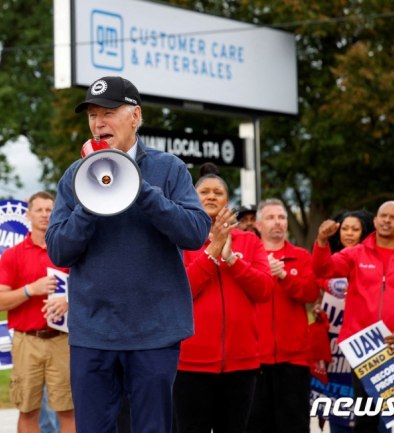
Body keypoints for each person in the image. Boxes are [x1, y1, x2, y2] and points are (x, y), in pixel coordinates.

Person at [46, 76, 211, 433]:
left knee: (151, 428)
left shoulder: (169, 169)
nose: (98, 122)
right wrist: (90, 199)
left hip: (154, 333)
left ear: (135, 116)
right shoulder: (75, 176)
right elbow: (59, 250)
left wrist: (140, 189)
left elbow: (196, 233)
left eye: (108, 112)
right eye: (92, 114)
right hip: (93, 334)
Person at [312, 201, 394, 433]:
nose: (387, 220)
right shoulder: (354, 254)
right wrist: (321, 242)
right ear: (375, 220)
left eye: (393, 217)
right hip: (365, 353)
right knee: (366, 422)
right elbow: (323, 270)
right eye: (383, 215)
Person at [173, 164, 273, 433]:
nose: (212, 196)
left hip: (242, 364)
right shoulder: (180, 242)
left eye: (218, 192)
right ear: (192, 198)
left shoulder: (250, 242)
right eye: (204, 191)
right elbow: (181, 291)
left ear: (228, 202)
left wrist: (231, 260)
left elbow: (265, 290)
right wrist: (212, 251)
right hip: (190, 365)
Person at [0, 191, 75, 433]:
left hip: (62, 340)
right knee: (28, 410)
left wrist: (69, 301)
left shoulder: (68, 252)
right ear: (28, 215)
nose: (44, 215)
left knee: (68, 410)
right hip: (27, 341)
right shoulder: (12, 255)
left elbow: (90, 292)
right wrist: (30, 289)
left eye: (49, 210)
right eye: (39, 210)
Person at [247, 198, 320, 433]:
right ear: (258, 225)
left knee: (295, 425)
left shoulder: (301, 255)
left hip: (294, 358)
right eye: (270, 217)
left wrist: (286, 277)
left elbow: (311, 293)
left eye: (281, 217)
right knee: (256, 424)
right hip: (254, 357)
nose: (277, 222)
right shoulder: (247, 257)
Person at [310, 210, 376, 433]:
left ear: (365, 231)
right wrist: (319, 306)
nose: (349, 233)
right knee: (336, 403)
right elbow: (318, 286)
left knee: (364, 402)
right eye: (344, 228)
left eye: (355, 229)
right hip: (332, 342)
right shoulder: (330, 259)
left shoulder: (371, 261)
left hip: (360, 339)